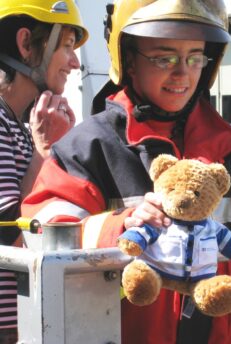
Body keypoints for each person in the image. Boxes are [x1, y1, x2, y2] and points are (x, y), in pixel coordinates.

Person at [22, 0, 231, 343]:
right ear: (129, 61)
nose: (182, 72)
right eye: (164, 58)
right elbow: (46, 230)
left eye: (195, 57)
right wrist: (118, 226)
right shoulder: (88, 148)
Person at [0, 0, 88, 342]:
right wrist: (45, 153)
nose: (75, 62)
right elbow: (13, 232)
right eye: (66, 45)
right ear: (26, 44)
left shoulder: (18, 126)